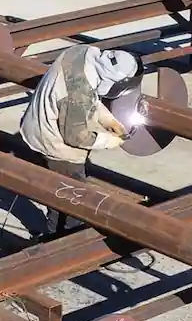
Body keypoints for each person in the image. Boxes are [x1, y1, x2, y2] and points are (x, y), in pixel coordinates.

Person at [18, 45, 141, 234]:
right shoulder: (78, 95)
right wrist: (110, 141)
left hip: (39, 121)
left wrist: (107, 119)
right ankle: (59, 240)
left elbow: (87, 94)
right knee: (70, 196)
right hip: (54, 144)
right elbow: (76, 137)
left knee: (61, 191)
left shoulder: (83, 52)